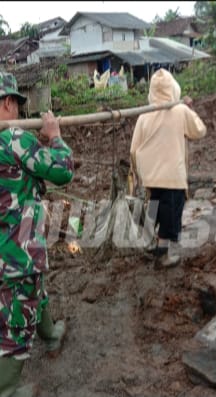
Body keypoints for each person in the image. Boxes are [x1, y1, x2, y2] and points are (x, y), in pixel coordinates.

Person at [0, 72, 74, 396]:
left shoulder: (19, 144)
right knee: (16, 318)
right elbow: (63, 170)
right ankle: (8, 387)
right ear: (8, 102)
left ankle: (51, 334)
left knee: (33, 291)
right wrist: (55, 137)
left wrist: (38, 143)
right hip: (17, 250)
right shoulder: (14, 138)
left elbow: (23, 168)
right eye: (16, 103)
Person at [130, 68, 207, 267]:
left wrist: (138, 173)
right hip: (172, 175)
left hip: (151, 175)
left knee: (155, 207)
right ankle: (162, 256)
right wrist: (190, 109)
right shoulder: (181, 111)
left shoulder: (144, 115)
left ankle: (150, 243)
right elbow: (199, 130)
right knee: (169, 214)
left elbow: (133, 150)